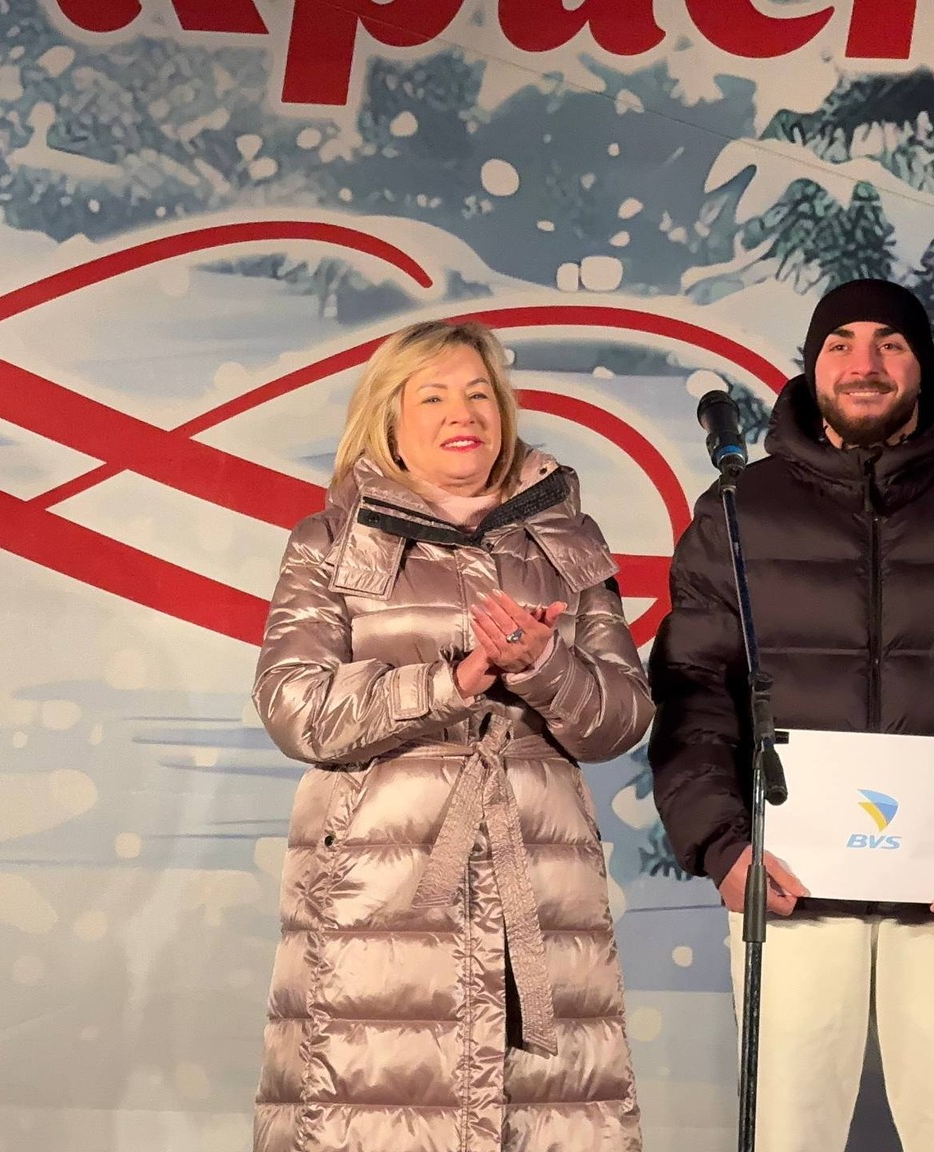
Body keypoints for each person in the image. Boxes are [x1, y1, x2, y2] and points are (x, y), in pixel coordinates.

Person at [648, 278, 934, 1151]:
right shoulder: (739, 509)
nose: (864, 363)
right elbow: (693, 695)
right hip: (789, 880)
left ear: (921, 367)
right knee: (788, 1126)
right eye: (840, 343)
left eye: (890, 343)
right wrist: (723, 846)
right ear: (811, 366)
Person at [251, 319, 650, 1152]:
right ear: (389, 420)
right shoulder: (330, 542)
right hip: (379, 882)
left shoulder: (568, 540)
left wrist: (544, 665)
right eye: (431, 396)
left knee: (546, 1112)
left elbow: (624, 715)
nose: (461, 413)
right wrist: (450, 682)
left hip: (539, 872)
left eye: (478, 394)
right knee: (375, 1109)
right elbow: (294, 706)